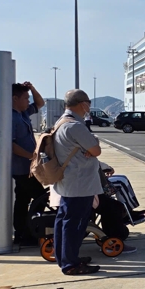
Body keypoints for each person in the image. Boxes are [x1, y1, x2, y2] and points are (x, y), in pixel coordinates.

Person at [52, 89, 103, 275]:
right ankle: (70, 264)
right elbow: (96, 150)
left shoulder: (61, 122)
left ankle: (64, 257)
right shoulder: (75, 126)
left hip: (68, 181)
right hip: (80, 183)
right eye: (88, 102)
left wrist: (91, 144)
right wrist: (93, 144)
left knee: (64, 220)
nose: (89, 105)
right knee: (75, 224)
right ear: (83, 104)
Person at [11, 82, 45, 246]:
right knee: (40, 198)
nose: (28, 101)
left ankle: (23, 233)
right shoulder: (12, 118)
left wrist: (32, 88)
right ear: (14, 99)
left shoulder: (23, 114)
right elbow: (11, 145)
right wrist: (31, 157)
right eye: (25, 98)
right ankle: (31, 231)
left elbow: (40, 103)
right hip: (21, 167)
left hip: (28, 167)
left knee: (23, 200)